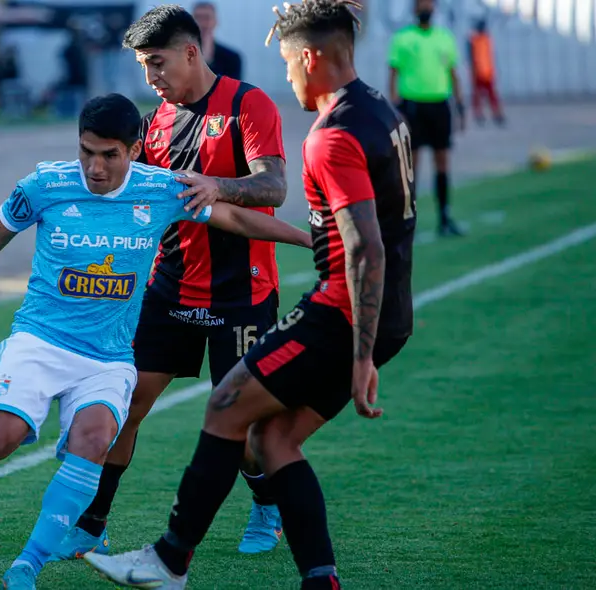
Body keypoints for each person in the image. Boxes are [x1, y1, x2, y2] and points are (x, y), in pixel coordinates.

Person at [0, 93, 312, 590]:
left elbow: (235, 218)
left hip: (108, 357)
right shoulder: (46, 185)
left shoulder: (162, 188)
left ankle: (26, 567)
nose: (95, 167)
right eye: (86, 152)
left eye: (109, 155)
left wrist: (309, 238)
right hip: (41, 341)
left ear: (134, 149)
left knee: (95, 439)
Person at [84, 2, 415, 589]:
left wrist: (362, 352)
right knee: (225, 423)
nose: (286, 75)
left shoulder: (284, 117)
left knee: (236, 416)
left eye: (289, 61)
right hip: (178, 286)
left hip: (270, 298)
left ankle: (180, 554)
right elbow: (176, 208)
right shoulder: (381, 111)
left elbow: (292, 203)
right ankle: (97, 525)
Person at [49, 4, 291, 561]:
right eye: (142, 66)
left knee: (245, 424)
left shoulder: (246, 104)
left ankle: (267, 505)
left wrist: (218, 186)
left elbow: (274, 187)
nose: (151, 78)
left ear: (190, 50)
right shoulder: (154, 123)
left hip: (242, 295)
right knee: (124, 405)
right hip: (170, 290)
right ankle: (92, 523)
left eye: (157, 63)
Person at [388, 0, 464, 237]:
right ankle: (408, 220)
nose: (426, 9)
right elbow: (393, 73)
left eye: (429, 4)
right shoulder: (403, 39)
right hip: (412, 106)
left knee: (442, 161)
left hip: (440, 105)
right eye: (422, 4)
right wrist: (395, 107)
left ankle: (444, 216)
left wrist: (460, 106)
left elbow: (453, 73)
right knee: (412, 164)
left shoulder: (445, 38)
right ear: (414, 9)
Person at [468, 18, 504, 127]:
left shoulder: (486, 39)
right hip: (479, 73)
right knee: (478, 96)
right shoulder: (474, 40)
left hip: (487, 72)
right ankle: (479, 115)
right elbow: (471, 57)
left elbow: (490, 56)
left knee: (491, 96)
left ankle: (496, 114)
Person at [193, 1, 243, 80]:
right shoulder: (179, 56)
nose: (202, 23)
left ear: (215, 22)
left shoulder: (232, 59)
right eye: (198, 18)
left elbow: (233, 90)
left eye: (207, 18)